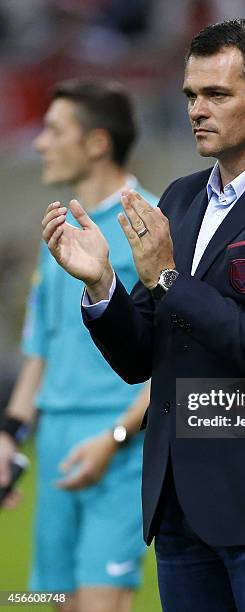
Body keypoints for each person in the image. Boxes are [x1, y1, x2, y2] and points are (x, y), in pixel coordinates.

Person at [41, 20, 245, 612]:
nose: (196, 110)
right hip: (181, 509)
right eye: (191, 95)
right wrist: (102, 285)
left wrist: (168, 279)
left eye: (216, 95)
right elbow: (142, 358)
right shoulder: (182, 198)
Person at [0, 79, 157, 612]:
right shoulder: (59, 231)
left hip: (121, 448)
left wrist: (114, 438)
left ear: (96, 143)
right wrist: (9, 435)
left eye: (54, 130)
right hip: (56, 446)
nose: (40, 142)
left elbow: (175, 357)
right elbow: (41, 350)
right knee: (54, 602)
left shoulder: (153, 224)